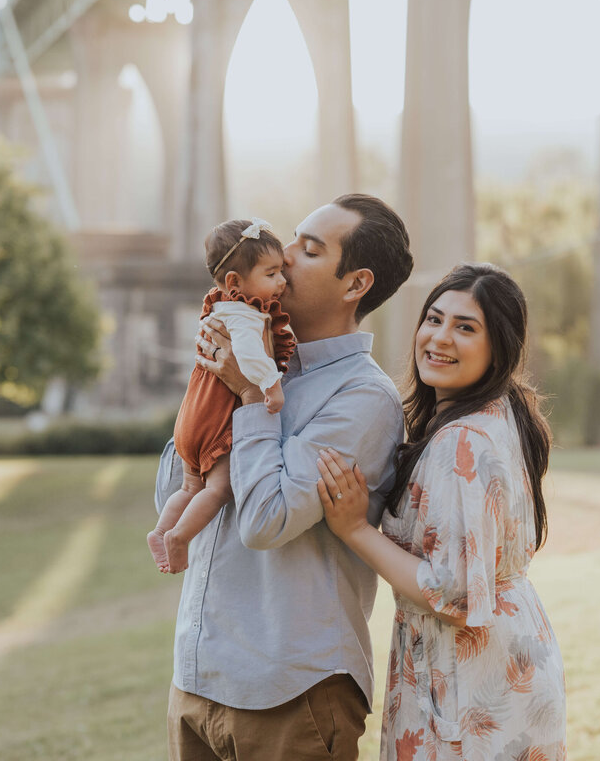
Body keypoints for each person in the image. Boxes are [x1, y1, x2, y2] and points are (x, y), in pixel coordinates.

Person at [154, 194, 414, 760]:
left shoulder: (363, 399)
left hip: (292, 695)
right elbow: (173, 492)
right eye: (292, 239)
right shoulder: (249, 356)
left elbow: (265, 521)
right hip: (197, 678)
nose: (285, 256)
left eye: (310, 249)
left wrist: (250, 397)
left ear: (355, 285)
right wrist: (211, 388)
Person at [315, 263, 566, 760]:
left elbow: (451, 592)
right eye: (434, 319)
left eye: (465, 327)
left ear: (501, 347)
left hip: (468, 683)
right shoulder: (502, 411)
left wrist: (354, 530)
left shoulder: (461, 443)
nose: (440, 338)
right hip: (511, 662)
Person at [148, 217, 295, 574]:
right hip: (214, 419)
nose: (283, 281)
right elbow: (247, 355)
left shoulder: (218, 306)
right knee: (218, 488)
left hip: (190, 417)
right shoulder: (243, 314)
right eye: (272, 273)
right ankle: (180, 537)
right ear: (234, 282)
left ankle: (161, 530)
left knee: (189, 486)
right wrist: (270, 385)